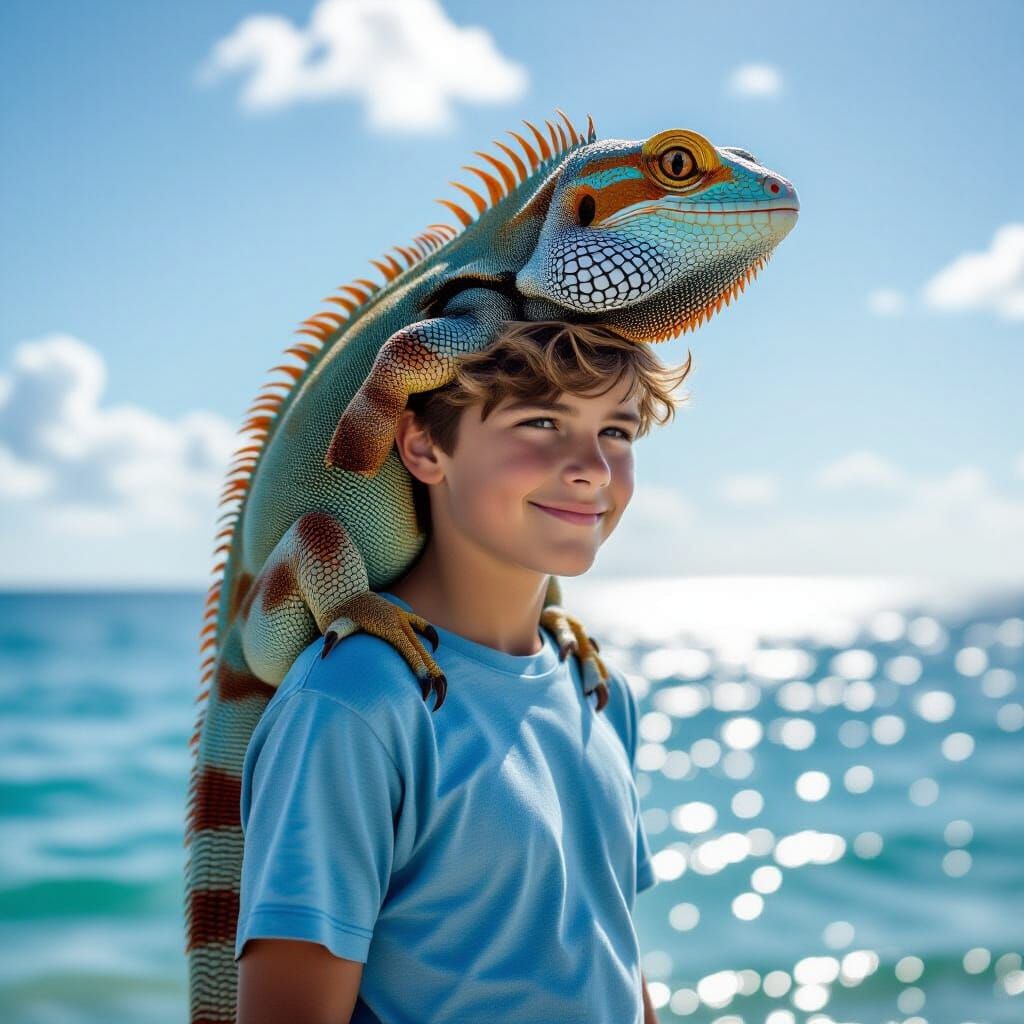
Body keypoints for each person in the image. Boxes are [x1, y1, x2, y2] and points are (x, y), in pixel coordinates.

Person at [233, 320, 693, 1024]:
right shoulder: (355, 701)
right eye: (541, 422)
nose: (594, 469)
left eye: (618, 432)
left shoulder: (597, 689)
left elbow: (611, 957)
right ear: (423, 446)